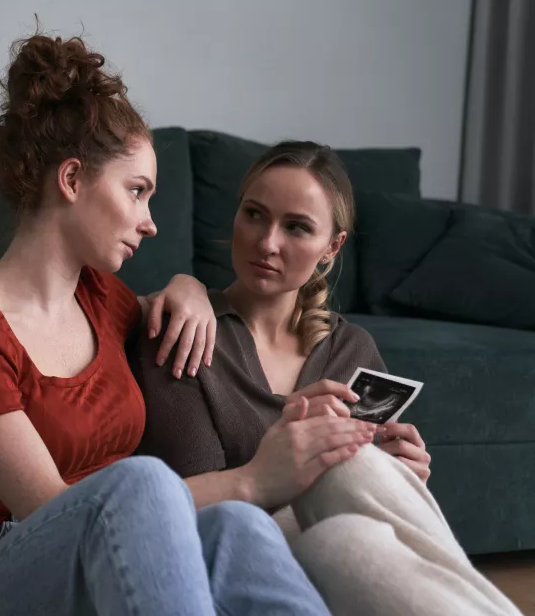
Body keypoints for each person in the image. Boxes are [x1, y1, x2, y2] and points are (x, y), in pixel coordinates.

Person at [0, 33, 340, 615]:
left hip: (118, 554)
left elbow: (162, 302)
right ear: (71, 180)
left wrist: (187, 287)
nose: (150, 222)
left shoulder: (102, 300)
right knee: (149, 484)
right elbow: (48, 509)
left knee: (239, 529)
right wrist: (250, 480)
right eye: (137, 193)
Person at [132, 141, 522, 616]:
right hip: (234, 551)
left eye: (296, 227)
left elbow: (388, 523)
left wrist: (400, 476)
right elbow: (202, 506)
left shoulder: (352, 349)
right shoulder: (184, 327)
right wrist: (295, 448)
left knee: (347, 522)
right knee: (342, 520)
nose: (267, 242)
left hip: (342, 549)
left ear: (331, 248)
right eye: (254, 214)